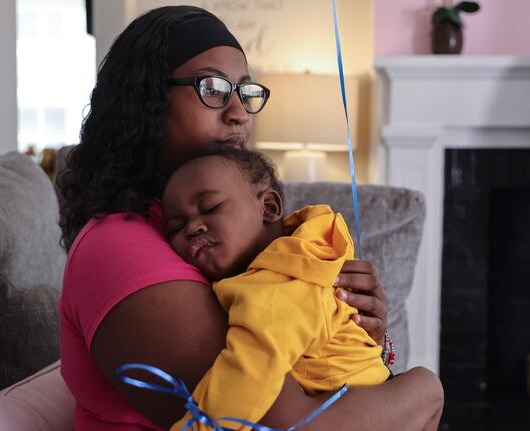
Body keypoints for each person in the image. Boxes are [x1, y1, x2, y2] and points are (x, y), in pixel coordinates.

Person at [58, 5, 443, 431]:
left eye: (245, 91)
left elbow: (308, 376)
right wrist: (420, 394)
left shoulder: (243, 231)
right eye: (213, 88)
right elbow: (282, 423)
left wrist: (356, 333)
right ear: (146, 102)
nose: (239, 112)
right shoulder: (120, 245)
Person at [161, 149, 393, 430]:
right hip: (366, 400)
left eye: (210, 207)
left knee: (425, 384)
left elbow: (247, 375)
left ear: (268, 207)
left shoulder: (281, 283)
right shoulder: (284, 264)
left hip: (356, 408)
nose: (193, 227)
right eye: (176, 226)